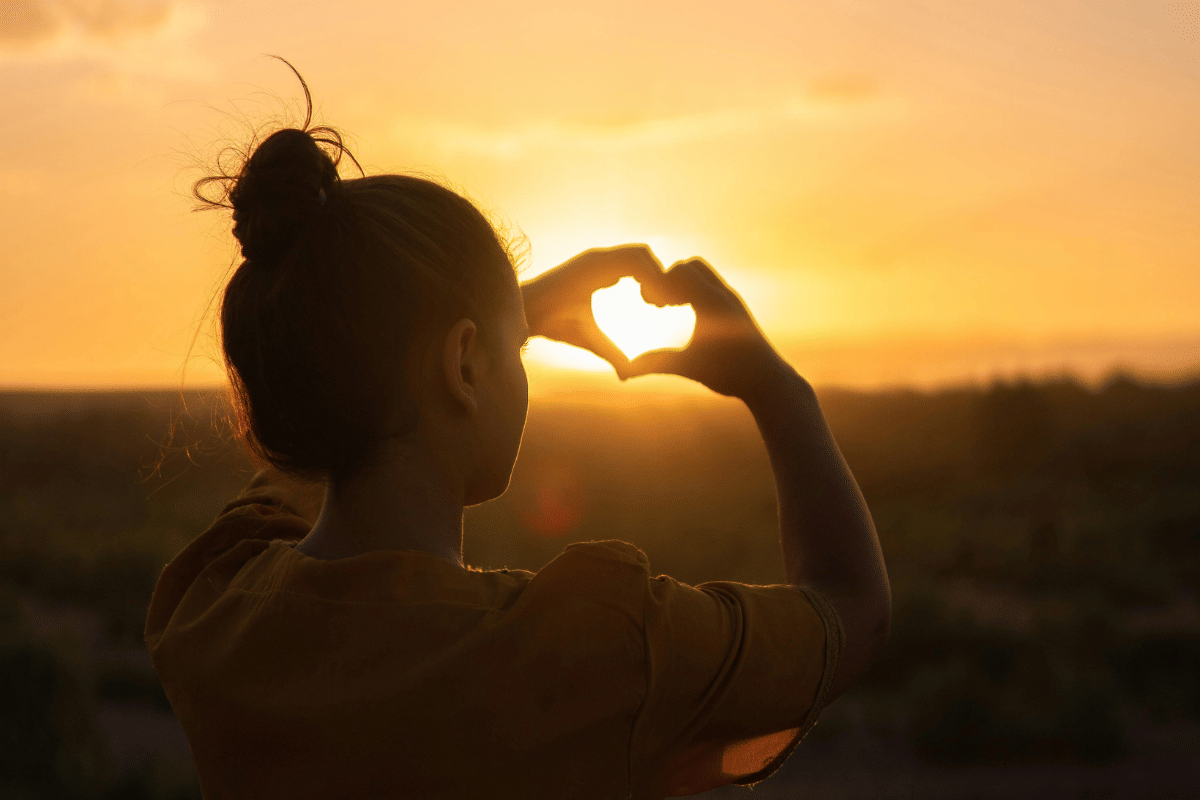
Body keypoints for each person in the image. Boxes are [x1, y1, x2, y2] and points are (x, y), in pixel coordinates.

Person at [145, 67, 890, 800]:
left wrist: (487, 316)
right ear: (464, 362)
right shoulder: (596, 650)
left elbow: (323, 426)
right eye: (520, 349)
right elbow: (850, 609)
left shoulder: (213, 609)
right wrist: (777, 389)